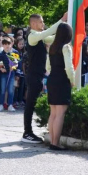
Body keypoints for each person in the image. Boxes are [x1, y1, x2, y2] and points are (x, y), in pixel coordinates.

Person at [22, 12, 66, 144]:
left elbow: (53, 38)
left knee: (32, 103)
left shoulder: (39, 37)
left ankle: (28, 132)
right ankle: (27, 133)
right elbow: (47, 33)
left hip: (38, 75)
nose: (43, 24)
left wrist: (68, 33)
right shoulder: (32, 36)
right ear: (33, 24)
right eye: (41, 22)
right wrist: (62, 20)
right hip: (33, 75)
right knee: (30, 104)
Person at [46, 23, 75, 151]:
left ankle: (52, 141)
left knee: (53, 113)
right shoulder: (66, 47)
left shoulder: (52, 47)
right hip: (62, 79)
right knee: (60, 113)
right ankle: (55, 143)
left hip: (52, 78)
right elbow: (69, 67)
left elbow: (48, 67)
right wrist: (72, 80)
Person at [0, 38, 18, 112]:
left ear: (11, 44)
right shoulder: (0, 54)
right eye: (5, 44)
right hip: (3, 75)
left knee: (11, 90)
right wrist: (1, 68)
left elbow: (16, 64)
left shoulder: (12, 54)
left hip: (11, 74)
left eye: (8, 44)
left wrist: (13, 67)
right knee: (2, 90)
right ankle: (1, 104)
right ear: (3, 45)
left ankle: (10, 105)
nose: (7, 46)